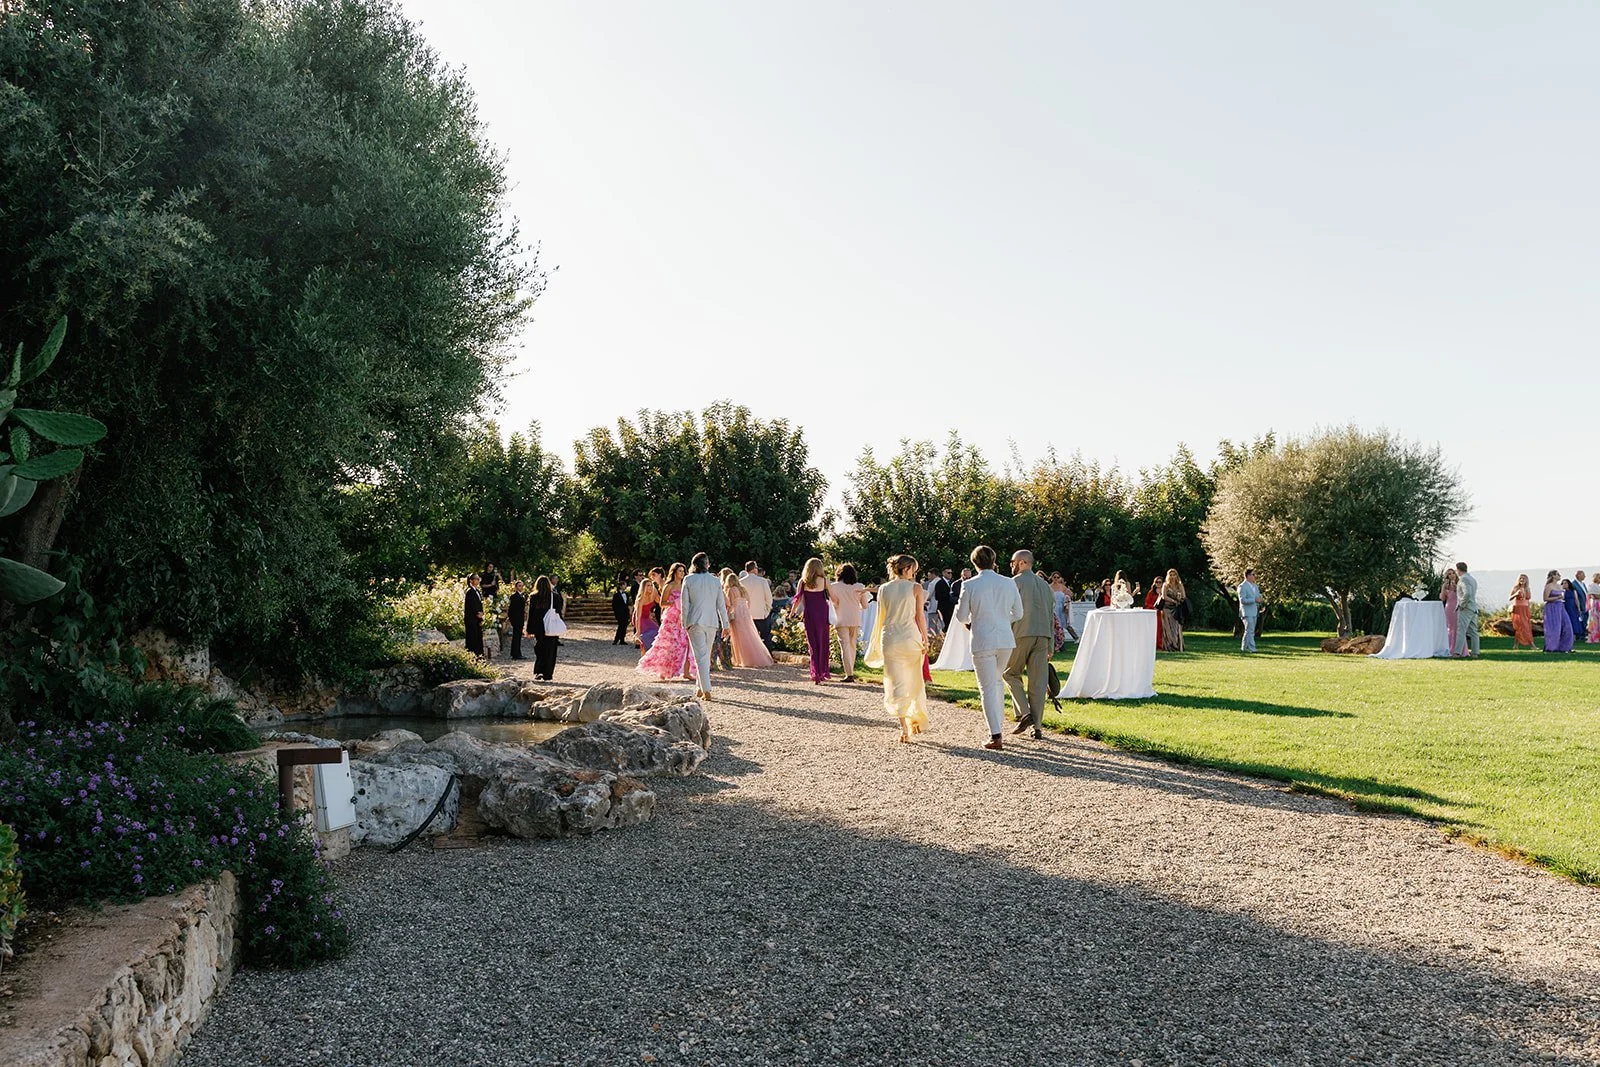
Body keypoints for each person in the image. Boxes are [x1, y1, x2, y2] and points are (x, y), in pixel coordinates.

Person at [953, 544, 1024, 751]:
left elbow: (962, 616)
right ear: (994, 561)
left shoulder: (970, 585)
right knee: (997, 682)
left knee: (987, 687)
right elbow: (1018, 613)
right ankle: (998, 727)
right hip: (1004, 639)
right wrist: (1002, 619)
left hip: (983, 639)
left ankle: (996, 734)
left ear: (974, 563)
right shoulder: (1008, 582)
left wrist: (973, 617)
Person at [865, 554, 930, 743]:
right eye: (913, 570)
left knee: (896, 683)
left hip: (890, 639)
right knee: (914, 680)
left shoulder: (883, 589)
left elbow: (880, 617)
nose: (914, 573)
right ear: (907, 568)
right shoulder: (916, 588)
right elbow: (920, 617)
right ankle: (914, 718)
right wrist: (925, 639)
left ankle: (903, 728)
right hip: (910, 638)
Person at [1004, 549, 1054, 739]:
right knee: (1038, 684)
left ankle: (1025, 714)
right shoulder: (1045, 586)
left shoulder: (1013, 583)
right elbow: (1051, 616)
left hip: (1020, 634)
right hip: (1043, 636)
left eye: (1013, 562)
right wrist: (1050, 644)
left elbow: (1007, 612)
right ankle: (1037, 727)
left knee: (1009, 674)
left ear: (1022, 562)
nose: (1011, 565)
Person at [679, 553, 730, 700]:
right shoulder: (715, 581)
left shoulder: (688, 579)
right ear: (707, 564)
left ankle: (706, 689)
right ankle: (700, 688)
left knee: (701, 656)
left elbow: (685, 604)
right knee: (704, 656)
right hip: (712, 622)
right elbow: (721, 605)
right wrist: (725, 624)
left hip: (694, 621)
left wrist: (684, 622)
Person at [638, 563, 691, 680]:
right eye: (680, 571)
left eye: (683, 571)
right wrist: (675, 602)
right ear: (674, 572)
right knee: (668, 644)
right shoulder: (669, 586)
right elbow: (662, 603)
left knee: (683, 643)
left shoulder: (685, 585)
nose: (682, 573)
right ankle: (663, 671)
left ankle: (685, 672)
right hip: (671, 618)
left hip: (682, 617)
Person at [791, 557, 833, 683]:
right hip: (822, 612)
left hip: (810, 613)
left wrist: (792, 612)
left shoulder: (803, 581)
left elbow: (798, 598)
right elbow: (833, 596)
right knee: (823, 641)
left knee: (812, 643)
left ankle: (815, 672)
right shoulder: (824, 580)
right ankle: (822, 671)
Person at [725, 570, 774, 668]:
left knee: (738, 636)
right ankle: (755, 657)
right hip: (746, 612)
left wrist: (728, 613)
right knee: (749, 634)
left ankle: (741, 659)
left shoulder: (731, 590)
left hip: (737, 612)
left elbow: (730, 604)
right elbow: (749, 601)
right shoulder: (743, 589)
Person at [829, 564, 869, 682]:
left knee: (845, 646)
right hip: (855, 618)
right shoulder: (859, 586)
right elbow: (865, 605)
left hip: (840, 619)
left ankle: (849, 673)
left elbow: (834, 603)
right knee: (852, 645)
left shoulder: (834, 586)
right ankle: (850, 671)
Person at [527, 575, 565, 680]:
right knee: (551, 650)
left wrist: (529, 629)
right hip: (551, 625)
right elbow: (558, 611)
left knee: (540, 648)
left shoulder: (534, 597)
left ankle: (539, 670)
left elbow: (531, 614)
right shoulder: (555, 596)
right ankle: (548, 673)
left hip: (539, 626)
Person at [740, 562, 776, 651]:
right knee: (766, 637)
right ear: (754, 569)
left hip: (747, 615)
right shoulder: (762, 581)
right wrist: (767, 611)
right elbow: (769, 598)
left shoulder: (741, 582)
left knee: (749, 639)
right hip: (761, 614)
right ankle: (767, 654)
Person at [1452, 562, 1480, 659]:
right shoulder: (1472, 579)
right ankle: (1475, 653)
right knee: (1473, 631)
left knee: (1461, 630)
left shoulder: (1464, 579)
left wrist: (1462, 604)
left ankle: (1457, 653)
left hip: (1466, 608)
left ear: (1458, 569)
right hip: (1473, 607)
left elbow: (1467, 593)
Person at [1542, 571, 1574, 653]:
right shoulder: (1549, 586)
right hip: (1552, 607)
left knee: (1567, 626)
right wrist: (1557, 597)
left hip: (1561, 607)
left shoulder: (1560, 586)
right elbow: (1545, 598)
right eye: (1558, 574)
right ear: (1553, 576)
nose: (1560, 576)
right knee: (1554, 628)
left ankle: (1565, 647)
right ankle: (1551, 647)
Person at [1160, 569, 1187, 651]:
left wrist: (1180, 598)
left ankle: (1177, 645)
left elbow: (1184, 596)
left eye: (1174, 575)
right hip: (1167, 608)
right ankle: (1169, 645)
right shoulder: (1165, 585)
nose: (1172, 577)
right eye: (1170, 575)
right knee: (1168, 626)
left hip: (1177, 608)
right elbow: (1164, 596)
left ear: (1176, 576)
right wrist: (1173, 600)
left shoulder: (1180, 585)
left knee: (1176, 627)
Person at [635, 569, 662, 651]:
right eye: (648, 586)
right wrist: (638, 632)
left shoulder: (653, 595)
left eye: (651, 585)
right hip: (640, 618)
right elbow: (638, 616)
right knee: (648, 634)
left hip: (647, 617)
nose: (650, 587)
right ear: (643, 587)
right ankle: (645, 651)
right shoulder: (640, 599)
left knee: (658, 631)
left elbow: (662, 603)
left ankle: (650, 652)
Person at [1238, 569, 1262, 653]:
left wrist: (1260, 599)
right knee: (1250, 630)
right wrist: (1254, 600)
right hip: (1246, 612)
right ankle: (1252, 648)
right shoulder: (1242, 586)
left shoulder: (1255, 586)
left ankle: (1243, 648)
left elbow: (1258, 596)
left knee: (1249, 630)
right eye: (1253, 574)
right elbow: (1243, 600)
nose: (1255, 576)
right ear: (1248, 576)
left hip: (1254, 611)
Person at [1509, 574, 1535, 650]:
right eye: (1521, 578)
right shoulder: (1515, 588)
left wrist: (1529, 610)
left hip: (1525, 609)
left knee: (1524, 627)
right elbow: (1510, 598)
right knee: (1523, 627)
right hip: (1518, 609)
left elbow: (1528, 600)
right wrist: (1516, 594)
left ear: (1526, 580)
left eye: (1524, 578)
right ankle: (1532, 645)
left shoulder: (1527, 588)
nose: (1522, 580)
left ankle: (1515, 646)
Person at [463, 573, 485, 658]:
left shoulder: (477, 591)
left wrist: (481, 612)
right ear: (471, 581)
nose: (478, 580)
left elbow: (479, 604)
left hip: (477, 619)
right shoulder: (469, 592)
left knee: (478, 638)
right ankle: (472, 657)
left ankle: (479, 656)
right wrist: (477, 613)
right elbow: (471, 605)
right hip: (471, 619)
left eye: (479, 579)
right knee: (472, 638)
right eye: (476, 579)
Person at [506, 580, 528, 660]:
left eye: (522, 586)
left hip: (519, 618)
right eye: (519, 586)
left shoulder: (521, 596)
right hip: (517, 619)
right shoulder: (515, 596)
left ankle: (515, 653)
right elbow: (511, 610)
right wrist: (512, 620)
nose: (521, 587)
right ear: (515, 587)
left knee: (517, 637)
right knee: (516, 637)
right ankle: (516, 654)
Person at [1440, 569, 1459, 657]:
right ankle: (1449, 648)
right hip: (1448, 608)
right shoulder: (1445, 585)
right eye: (1449, 574)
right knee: (1450, 628)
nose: (1452, 575)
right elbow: (1443, 598)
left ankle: (1458, 649)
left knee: (1457, 628)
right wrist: (1443, 588)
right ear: (1447, 576)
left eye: (1453, 573)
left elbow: (1462, 596)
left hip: (1458, 607)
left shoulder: (1459, 583)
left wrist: (1456, 587)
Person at [1143, 577, 1166, 650]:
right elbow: (1147, 603)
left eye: (1160, 582)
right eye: (1157, 582)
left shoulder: (1164, 591)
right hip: (1153, 613)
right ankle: (1154, 644)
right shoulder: (1151, 592)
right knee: (1155, 629)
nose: (1158, 583)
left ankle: (1161, 644)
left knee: (1161, 629)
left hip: (1162, 613)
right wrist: (1153, 607)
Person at [610, 576, 632, 645]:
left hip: (625, 613)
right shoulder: (616, 595)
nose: (626, 586)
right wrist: (616, 613)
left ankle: (622, 639)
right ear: (621, 586)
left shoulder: (626, 594)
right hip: (620, 613)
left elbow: (627, 604)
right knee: (620, 626)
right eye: (625, 585)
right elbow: (614, 605)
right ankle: (616, 640)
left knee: (624, 626)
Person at [1562, 575, 1584, 641]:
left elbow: (1577, 600)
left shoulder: (1574, 591)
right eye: (1563, 583)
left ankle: (1574, 636)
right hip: (1565, 607)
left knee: (1574, 620)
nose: (1564, 584)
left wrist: (1579, 608)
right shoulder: (1563, 592)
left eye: (1565, 583)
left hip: (1573, 608)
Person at [1576, 570, 1592, 638]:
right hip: (1580, 605)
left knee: (1585, 619)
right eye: (1583, 575)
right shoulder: (1574, 584)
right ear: (1578, 575)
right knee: (1580, 620)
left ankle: (1584, 634)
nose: (1585, 576)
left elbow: (1585, 593)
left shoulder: (1583, 584)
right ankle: (1580, 635)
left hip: (1586, 605)